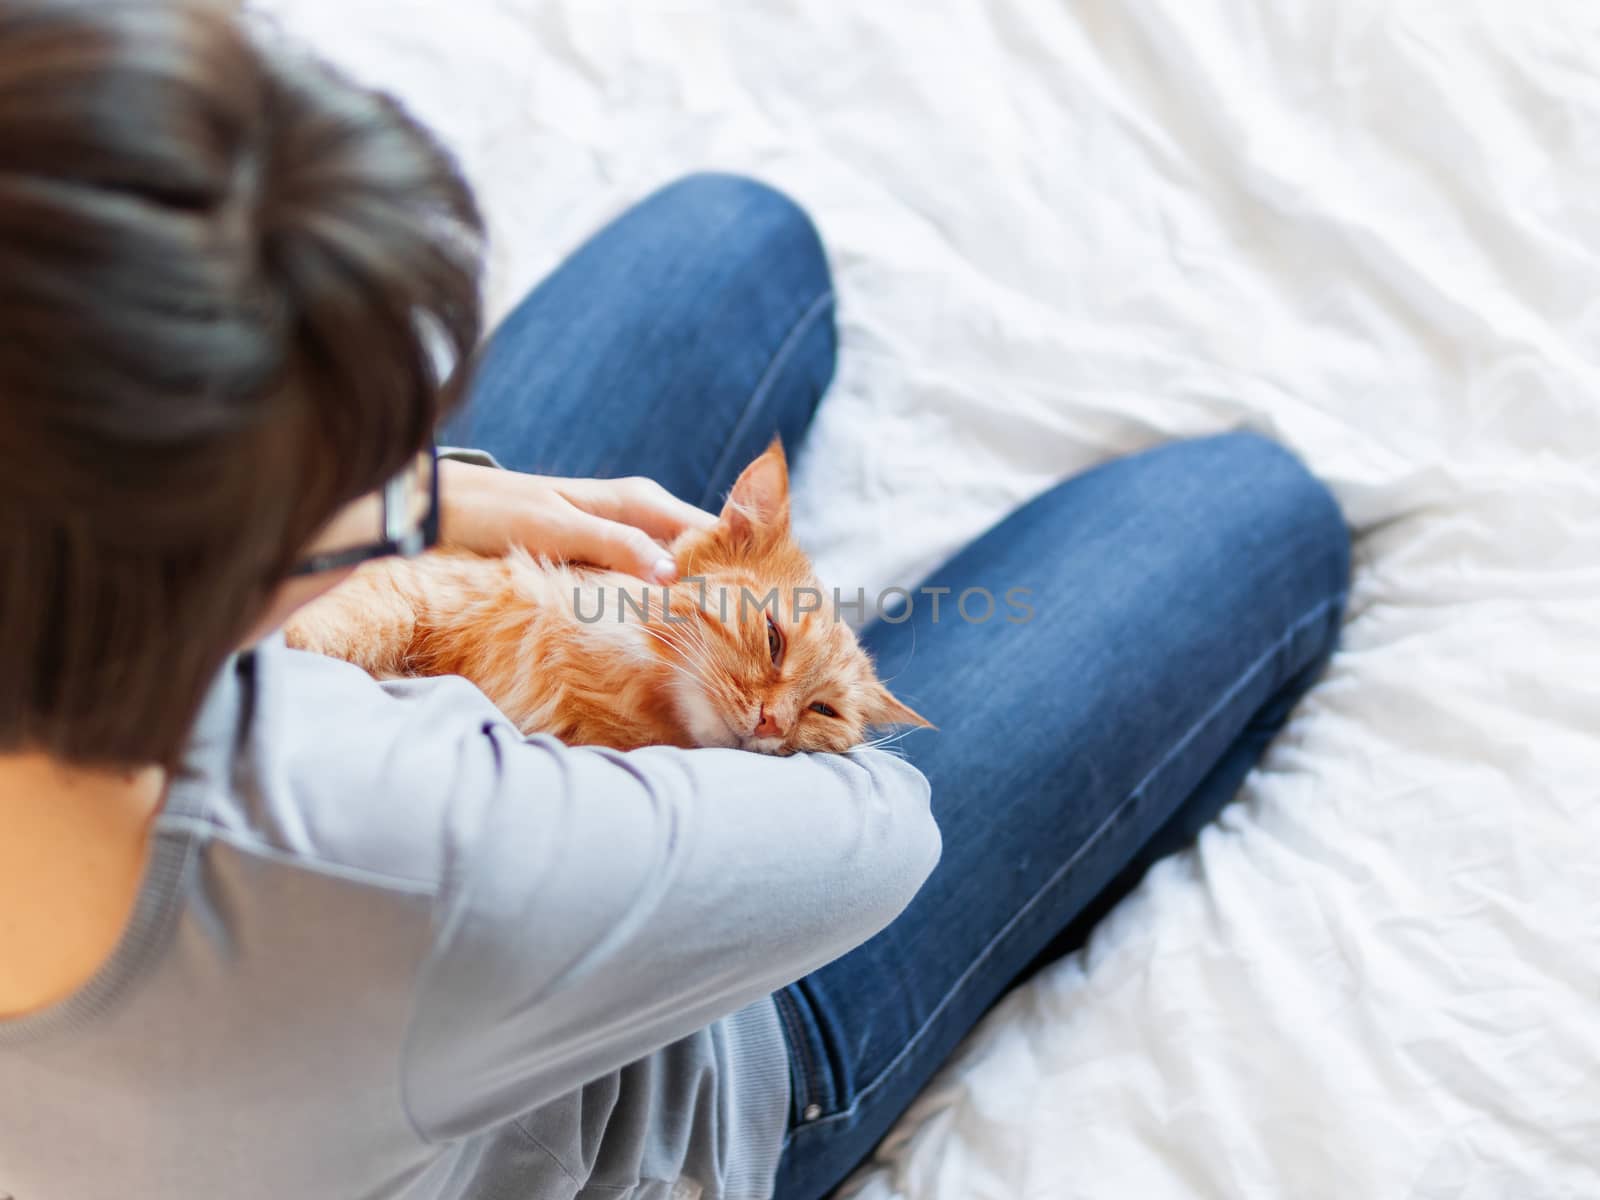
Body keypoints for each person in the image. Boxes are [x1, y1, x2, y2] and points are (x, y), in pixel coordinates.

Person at [0, 4, 1350, 1199]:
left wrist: (447, 505)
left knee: (732, 238)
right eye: (354, 490)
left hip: (348, 854)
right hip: (628, 1073)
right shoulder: (390, 840)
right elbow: (874, 839)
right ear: (233, 576)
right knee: (1247, 510)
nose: (404, 487)